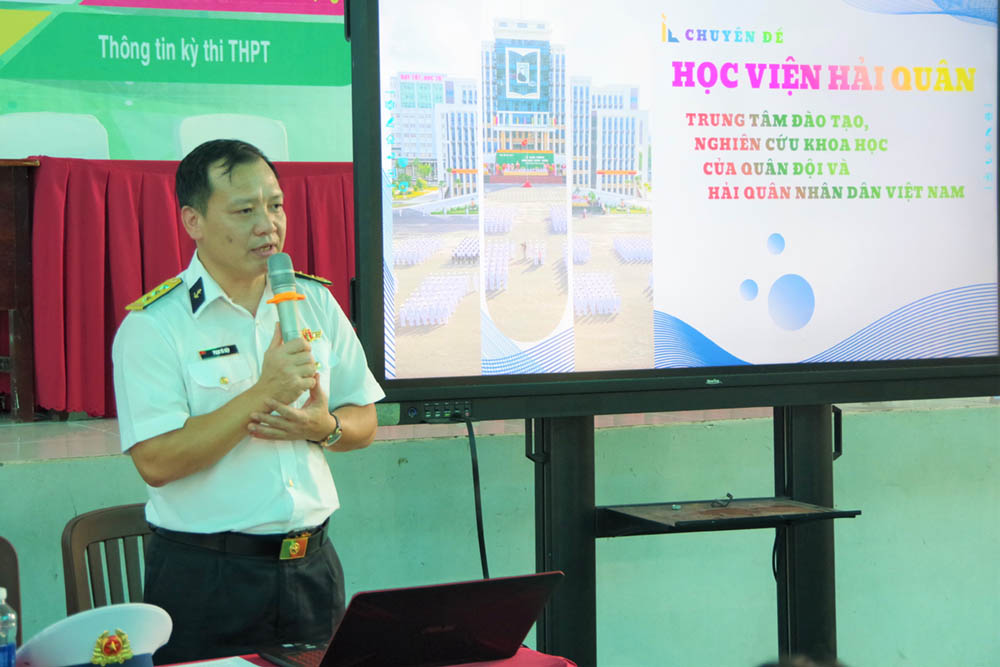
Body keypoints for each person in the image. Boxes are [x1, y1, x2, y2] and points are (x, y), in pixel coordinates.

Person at [111, 139, 385, 664]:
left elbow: (364, 420)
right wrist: (263, 395)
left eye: (275, 205)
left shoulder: (314, 301)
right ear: (193, 221)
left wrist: (322, 427)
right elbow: (156, 461)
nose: (268, 224)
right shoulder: (154, 326)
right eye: (244, 210)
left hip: (313, 569)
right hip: (208, 579)